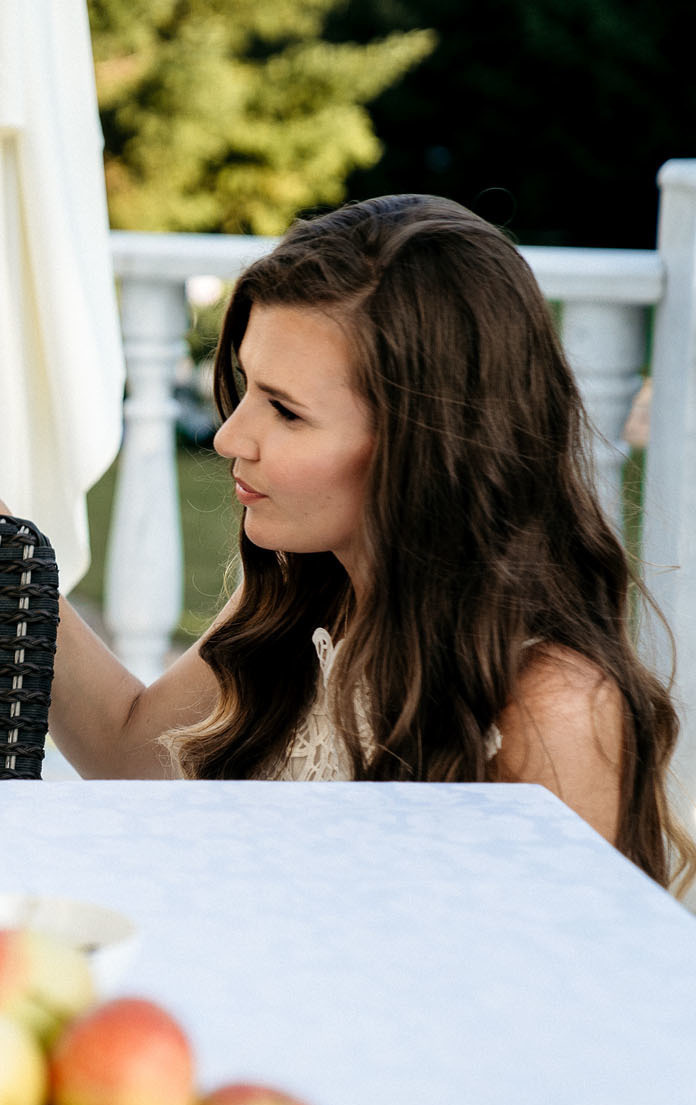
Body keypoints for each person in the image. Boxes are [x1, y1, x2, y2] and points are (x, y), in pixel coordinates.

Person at [38, 194, 691, 890]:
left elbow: (559, 986)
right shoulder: (300, 600)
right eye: (247, 387)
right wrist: (0, 550)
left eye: (285, 410)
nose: (230, 437)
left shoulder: (551, 706)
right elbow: (130, 754)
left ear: (425, 448)